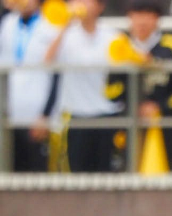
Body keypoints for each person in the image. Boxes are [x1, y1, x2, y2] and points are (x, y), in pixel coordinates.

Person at [112, 0, 172, 171]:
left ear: (157, 18)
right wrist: (134, 107)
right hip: (132, 129)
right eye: (137, 14)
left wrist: (159, 107)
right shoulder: (120, 47)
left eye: (148, 15)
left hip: (170, 129)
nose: (142, 21)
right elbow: (110, 90)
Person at [43, 0, 119, 173]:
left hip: (105, 113)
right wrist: (65, 25)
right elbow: (47, 61)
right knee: (76, 172)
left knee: (105, 173)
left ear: (101, 6)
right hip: (75, 115)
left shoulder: (112, 35)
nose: (82, 5)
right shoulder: (66, 35)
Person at [0, 0, 60, 171]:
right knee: (11, 172)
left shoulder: (50, 25)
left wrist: (46, 114)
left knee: (37, 174)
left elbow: (57, 74)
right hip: (10, 114)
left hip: (38, 115)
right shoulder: (8, 23)